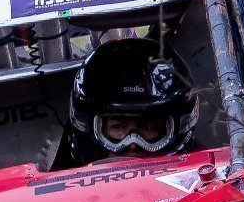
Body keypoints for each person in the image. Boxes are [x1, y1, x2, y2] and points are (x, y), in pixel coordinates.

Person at [67, 37, 197, 160]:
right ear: (92, 131)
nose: (133, 144)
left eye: (149, 126)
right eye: (117, 127)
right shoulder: (60, 182)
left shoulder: (210, 173)